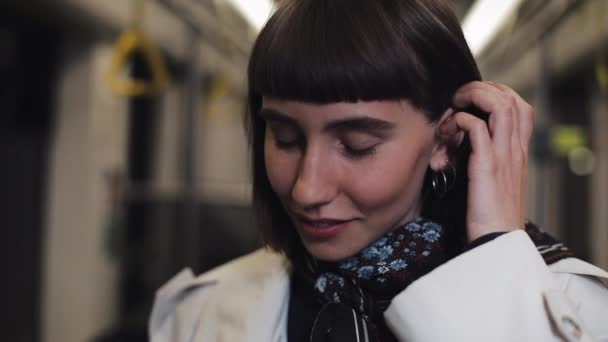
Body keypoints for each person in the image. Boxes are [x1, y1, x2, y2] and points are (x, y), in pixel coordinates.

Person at [149, 0, 608, 341]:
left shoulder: (582, 311)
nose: (307, 189)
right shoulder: (200, 313)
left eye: (356, 146)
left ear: (446, 139)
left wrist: (493, 249)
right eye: (286, 139)